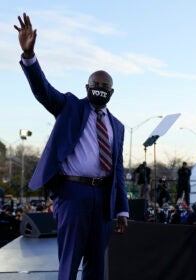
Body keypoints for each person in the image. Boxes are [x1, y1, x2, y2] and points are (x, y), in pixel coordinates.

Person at [14, 13, 129, 280]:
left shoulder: (118, 127)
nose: (99, 88)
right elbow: (42, 90)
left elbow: (118, 171)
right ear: (87, 87)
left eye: (105, 86)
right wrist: (29, 56)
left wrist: (121, 209)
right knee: (70, 259)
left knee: (97, 263)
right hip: (72, 192)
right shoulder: (70, 107)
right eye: (95, 84)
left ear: (111, 92)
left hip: (103, 198)